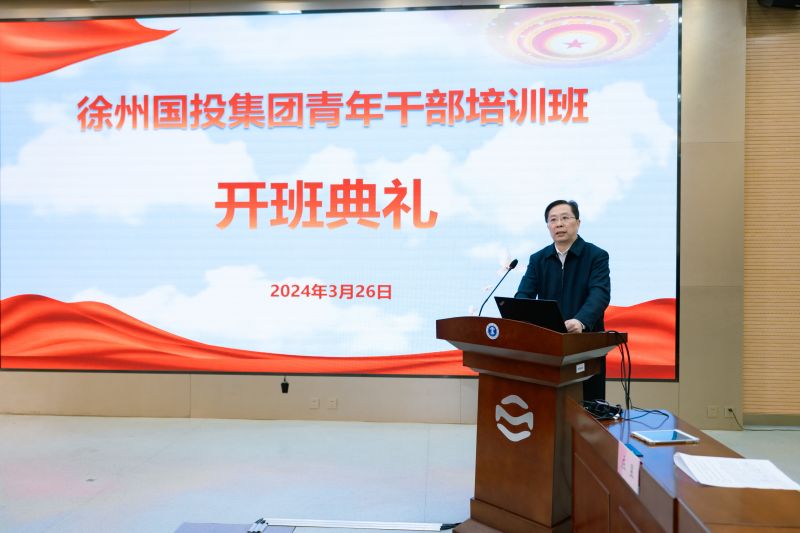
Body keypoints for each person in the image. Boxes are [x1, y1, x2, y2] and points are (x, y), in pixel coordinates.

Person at [515, 199, 610, 401]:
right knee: (547, 403)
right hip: (547, 346)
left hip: (585, 345)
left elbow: (599, 294)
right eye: (553, 220)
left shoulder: (596, 256)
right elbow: (523, 296)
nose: (559, 224)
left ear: (578, 223)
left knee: (588, 406)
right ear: (548, 226)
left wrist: (581, 321)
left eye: (565, 218)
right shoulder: (538, 259)